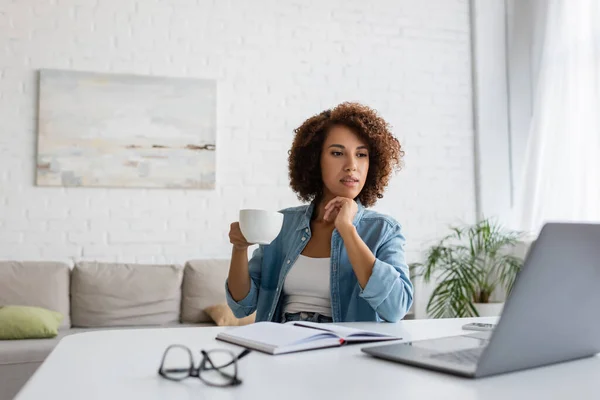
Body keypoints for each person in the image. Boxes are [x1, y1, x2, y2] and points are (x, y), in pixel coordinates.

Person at [226, 102, 413, 323]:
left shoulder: (384, 230)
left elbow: (395, 308)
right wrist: (239, 248)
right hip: (281, 343)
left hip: (344, 349)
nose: (352, 165)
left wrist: (347, 229)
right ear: (315, 160)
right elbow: (242, 306)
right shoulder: (282, 223)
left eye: (361, 155)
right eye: (337, 153)